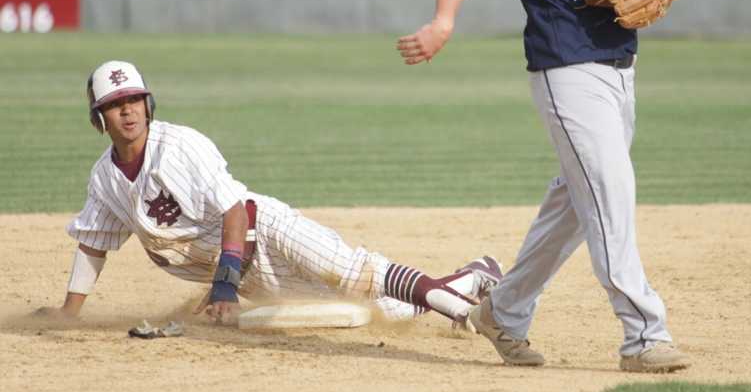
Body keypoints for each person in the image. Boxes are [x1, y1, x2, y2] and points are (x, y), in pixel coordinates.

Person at [397, 0, 690, 373]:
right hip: (565, 71)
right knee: (611, 190)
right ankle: (644, 337)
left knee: (579, 207)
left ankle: (502, 313)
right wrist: (443, 21)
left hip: (621, 69)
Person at [42, 60, 503, 327]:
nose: (128, 112)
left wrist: (221, 288)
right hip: (244, 274)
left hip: (266, 231)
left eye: (134, 100)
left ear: (148, 103)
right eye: (115, 106)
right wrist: (69, 313)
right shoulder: (105, 178)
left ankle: (462, 311)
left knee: (351, 270)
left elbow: (235, 211)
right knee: (368, 307)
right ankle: (471, 277)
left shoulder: (181, 146)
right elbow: (94, 244)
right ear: (99, 118)